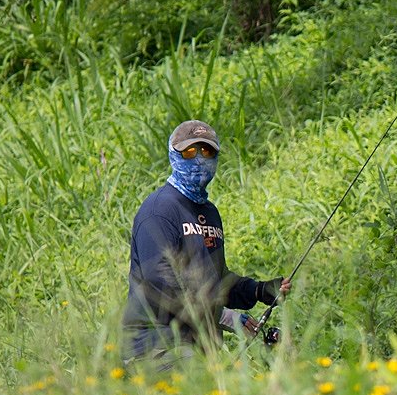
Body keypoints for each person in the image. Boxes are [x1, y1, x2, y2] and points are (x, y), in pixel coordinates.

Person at [122, 119, 291, 364]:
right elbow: (160, 286)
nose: (199, 158)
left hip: (198, 347)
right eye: (189, 151)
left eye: (207, 150)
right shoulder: (159, 211)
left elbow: (216, 280)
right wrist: (225, 316)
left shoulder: (209, 213)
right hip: (156, 347)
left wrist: (259, 290)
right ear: (173, 156)